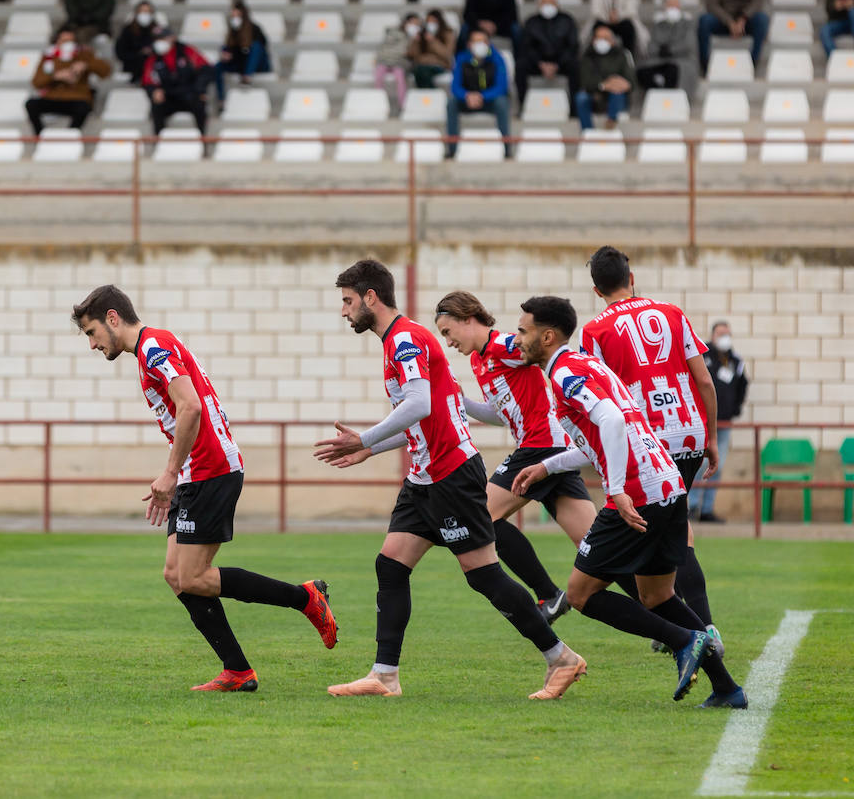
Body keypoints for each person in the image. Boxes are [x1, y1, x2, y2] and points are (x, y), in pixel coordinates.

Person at [314, 260, 586, 701]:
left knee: (484, 577)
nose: (344, 312)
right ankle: (384, 676)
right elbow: (424, 415)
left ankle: (561, 658)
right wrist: (371, 449)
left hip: (452, 475)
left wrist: (364, 437)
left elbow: (419, 404)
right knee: (391, 563)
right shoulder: (396, 343)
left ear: (370, 297)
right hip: (424, 477)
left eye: (347, 301)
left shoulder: (405, 338)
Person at [72, 285, 337, 692]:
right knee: (176, 576)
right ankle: (237, 670)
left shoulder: (153, 348)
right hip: (197, 472)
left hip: (210, 468)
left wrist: (169, 473)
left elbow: (191, 406)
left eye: (91, 332)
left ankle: (304, 599)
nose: (92, 344)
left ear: (112, 319)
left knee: (193, 577)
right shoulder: (149, 350)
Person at [510, 296, 747, 708]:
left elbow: (614, 422)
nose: (517, 339)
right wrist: (547, 467)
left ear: (547, 337)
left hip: (640, 494)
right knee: (658, 597)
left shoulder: (565, 372)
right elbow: (602, 439)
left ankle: (686, 640)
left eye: (523, 331)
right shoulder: (588, 365)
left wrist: (616, 489)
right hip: (668, 486)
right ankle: (727, 689)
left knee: (581, 594)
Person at [580, 245, 724, 654]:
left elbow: (600, 395)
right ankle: (686, 625)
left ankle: (695, 630)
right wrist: (710, 437)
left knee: (662, 532)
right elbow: (706, 382)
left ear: (596, 290)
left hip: (646, 442)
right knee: (673, 530)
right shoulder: (673, 313)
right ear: (632, 278)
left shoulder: (595, 331)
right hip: (689, 432)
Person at [433, 291, 598, 623]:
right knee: (597, 545)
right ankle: (663, 608)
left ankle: (549, 595)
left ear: (468, 319)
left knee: (481, 516)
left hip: (542, 445)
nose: (447, 341)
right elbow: (501, 414)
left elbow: (544, 352)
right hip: (553, 448)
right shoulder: (480, 360)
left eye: (448, 331)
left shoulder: (504, 347)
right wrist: (460, 402)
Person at [696, 321, 747, 522]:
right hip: (703, 422)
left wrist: (735, 409)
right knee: (699, 465)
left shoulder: (735, 360)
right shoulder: (703, 356)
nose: (725, 337)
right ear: (713, 335)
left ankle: (707, 509)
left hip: (724, 423)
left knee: (718, 464)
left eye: (728, 333)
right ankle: (691, 506)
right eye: (721, 333)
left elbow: (743, 386)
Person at [26, 25, 110, 135]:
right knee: (31, 104)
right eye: (64, 40)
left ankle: (70, 135)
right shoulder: (49, 57)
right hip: (53, 97)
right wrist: (55, 77)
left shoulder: (84, 55)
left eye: (71, 41)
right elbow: (36, 82)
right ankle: (40, 135)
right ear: (57, 41)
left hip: (77, 97)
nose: (67, 44)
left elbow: (106, 72)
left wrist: (86, 65)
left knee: (83, 108)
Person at [445, 29, 511, 158]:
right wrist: (467, 96)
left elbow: (501, 86)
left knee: (502, 102)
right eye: (476, 41)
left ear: (488, 43)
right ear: (469, 44)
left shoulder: (498, 59)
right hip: (467, 101)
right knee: (451, 103)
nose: (479, 44)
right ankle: (452, 149)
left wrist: (482, 96)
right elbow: (455, 86)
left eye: (482, 41)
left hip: (490, 101)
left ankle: (506, 148)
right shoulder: (461, 59)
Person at [516, 0, 579, 111]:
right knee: (520, 66)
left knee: (575, 66)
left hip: (561, 62)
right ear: (539, 5)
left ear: (557, 5)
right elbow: (526, 47)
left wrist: (557, 64)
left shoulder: (567, 20)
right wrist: (540, 63)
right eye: (544, 2)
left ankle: (574, 109)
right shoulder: (531, 22)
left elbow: (572, 46)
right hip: (537, 62)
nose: (547, 6)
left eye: (550, 2)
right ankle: (523, 105)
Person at [141, 29, 211, 136]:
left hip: (189, 94)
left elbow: (206, 69)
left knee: (200, 105)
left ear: (172, 38)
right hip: (168, 97)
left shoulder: (187, 51)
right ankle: (158, 141)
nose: (159, 42)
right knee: (156, 107)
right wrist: (154, 91)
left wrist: (200, 90)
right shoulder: (153, 58)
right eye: (157, 39)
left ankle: (203, 140)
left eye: (163, 38)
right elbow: (147, 81)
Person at [576, 25, 635, 130]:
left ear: (612, 40)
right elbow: (585, 82)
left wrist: (620, 84)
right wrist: (603, 85)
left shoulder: (621, 55)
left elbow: (631, 81)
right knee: (581, 98)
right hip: (595, 95)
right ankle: (587, 131)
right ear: (593, 40)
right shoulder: (587, 56)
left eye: (606, 38)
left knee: (617, 93)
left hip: (616, 96)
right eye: (599, 38)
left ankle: (611, 122)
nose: (602, 41)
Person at [635, 0, 697, 96]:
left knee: (673, 71)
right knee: (642, 71)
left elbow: (688, 44)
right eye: (669, 6)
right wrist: (660, 50)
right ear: (665, 8)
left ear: (680, 7)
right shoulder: (658, 24)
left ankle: (666, 97)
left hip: (680, 61)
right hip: (658, 60)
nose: (672, 9)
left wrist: (671, 50)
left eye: (675, 6)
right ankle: (656, 95)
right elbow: (651, 45)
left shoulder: (688, 24)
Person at [214, 2, 271, 103]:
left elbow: (262, 47)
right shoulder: (232, 31)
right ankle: (221, 99)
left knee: (256, 46)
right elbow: (231, 49)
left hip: (258, 65)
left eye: (238, 15)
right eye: (233, 15)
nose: (235, 18)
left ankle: (247, 77)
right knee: (218, 67)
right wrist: (226, 54)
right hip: (241, 63)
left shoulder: (254, 29)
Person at [374, 13, 420, 108]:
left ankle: (403, 106)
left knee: (400, 80)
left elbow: (411, 54)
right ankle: (378, 103)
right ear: (406, 22)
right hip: (385, 61)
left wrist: (415, 41)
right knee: (378, 78)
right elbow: (385, 48)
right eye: (412, 23)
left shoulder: (417, 38)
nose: (414, 26)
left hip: (400, 63)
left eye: (416, 24)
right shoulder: (393, 33)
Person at [409, 9, 455, 89]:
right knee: (420, 71)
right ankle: (428, 97)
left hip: (440, 65)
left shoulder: (448, 34)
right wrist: (415, 42)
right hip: (422, 65)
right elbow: (414, 56)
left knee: (422, 72)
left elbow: (447, 55)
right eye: (428, 21)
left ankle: (428, 96)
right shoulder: (422, 35)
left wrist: (433, 41)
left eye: (433, 21)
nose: (431, 24)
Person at [114, 1, 160, 77]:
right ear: (136, 13)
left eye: (147, 11)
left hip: (153, 68)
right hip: (132, 67)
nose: (145, 14)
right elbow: (121, 52)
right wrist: (139, 53)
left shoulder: (157, 30)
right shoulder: (127, 30)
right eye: (142, 11)